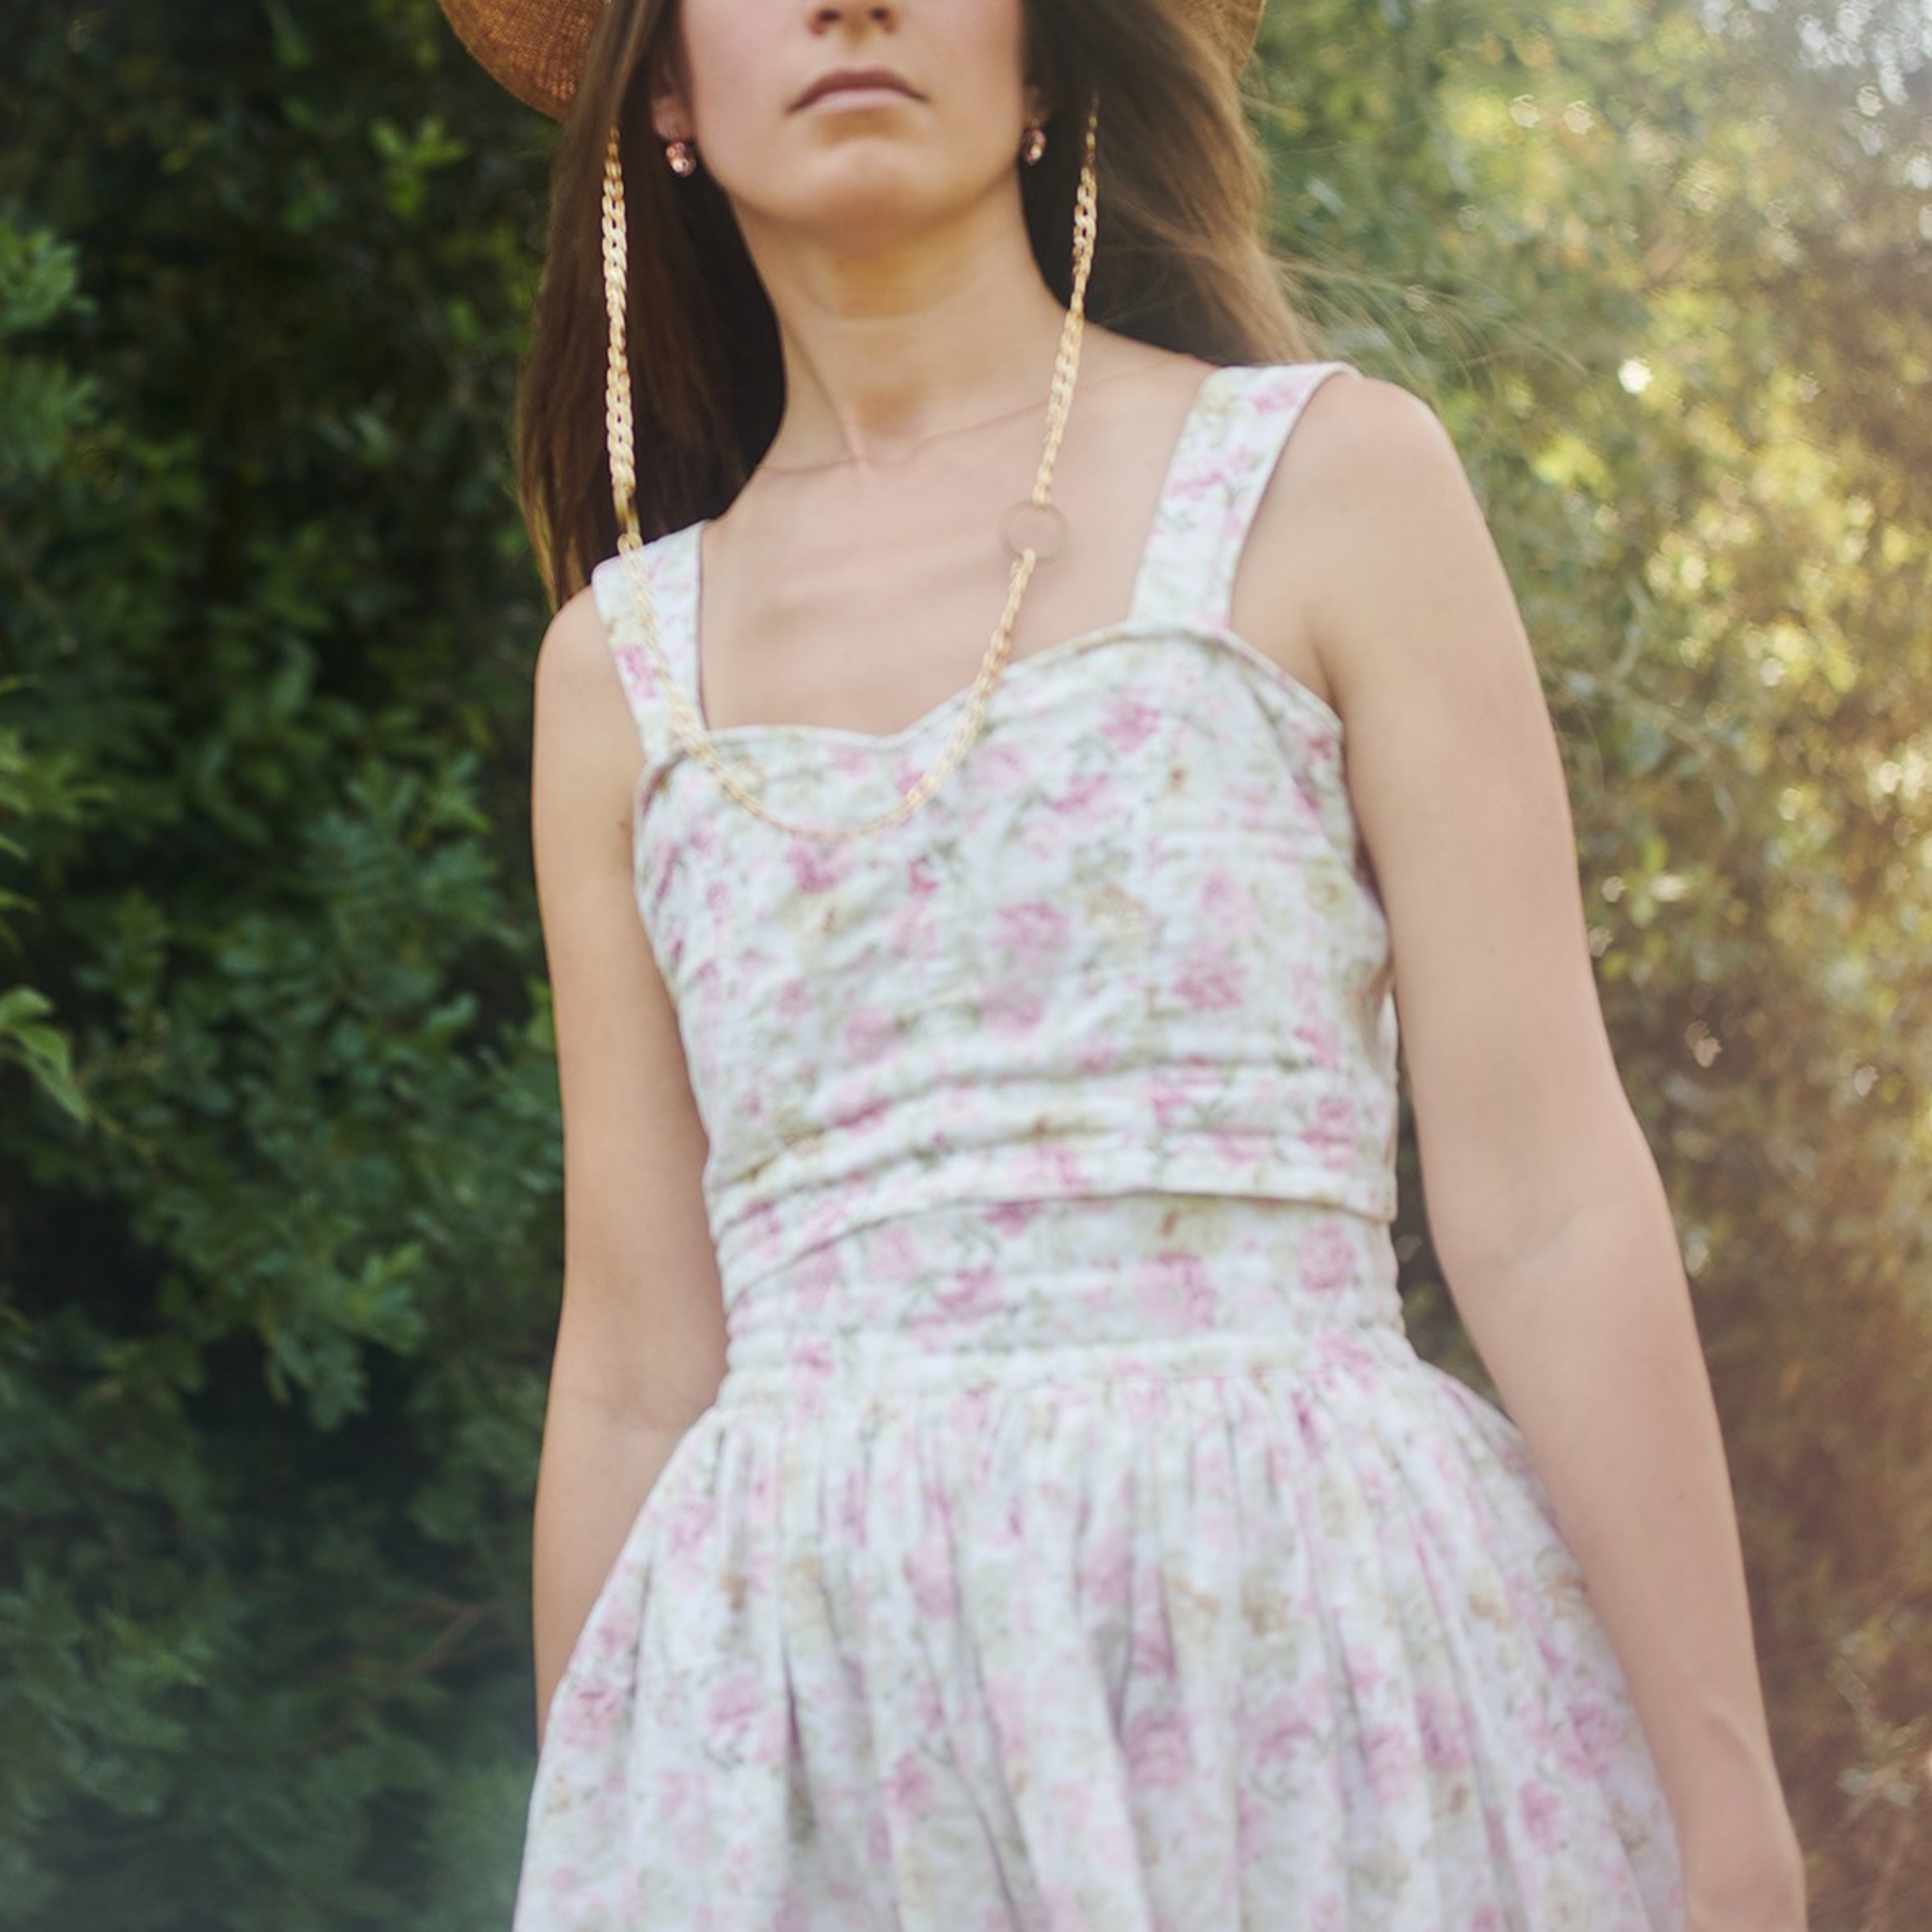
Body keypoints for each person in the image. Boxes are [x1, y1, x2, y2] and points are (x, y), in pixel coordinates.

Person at [437, 2, 1807, 1926]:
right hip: (819, 1732)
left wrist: (1727, 1803)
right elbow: (638, 1367)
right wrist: (596, 1848)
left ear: (1050, 59)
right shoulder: (617, 672)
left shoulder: (1331, 485)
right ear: (661, 90)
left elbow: (1546, 1196)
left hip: (1307, 1647)